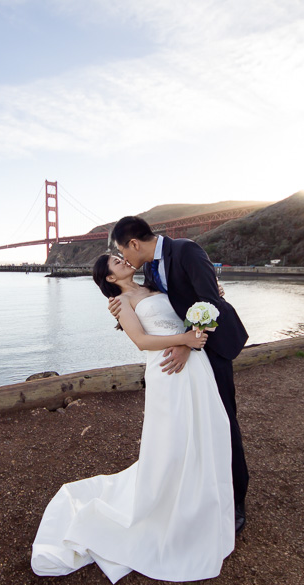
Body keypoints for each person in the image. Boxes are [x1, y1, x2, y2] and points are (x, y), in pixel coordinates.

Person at [31, 254, 234, 583]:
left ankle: (203, 499)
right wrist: (184, 339)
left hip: (196, 366)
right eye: (114, 260)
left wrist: (210, 303)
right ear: (109, 277)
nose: (122, 258)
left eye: (120, 255)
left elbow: (187, 308)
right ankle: (169, 506)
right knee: (174, 439)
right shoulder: (120, 302)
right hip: (166, 370)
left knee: (206, 429)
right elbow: (141, 342)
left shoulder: (156, 283)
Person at [108, 216, 249, 534]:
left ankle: (236, 501)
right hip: (185, 354)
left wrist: (187, 345)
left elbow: (209, 302)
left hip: (213, 349)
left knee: (223, 421)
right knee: (193, 425)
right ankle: (199, 492)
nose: (124, 258)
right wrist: (121, 309)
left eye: (122, 251)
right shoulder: (149, 271)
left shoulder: (186, 250)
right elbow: (167, 306)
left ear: (134, 244)